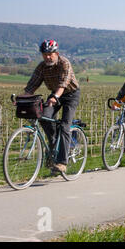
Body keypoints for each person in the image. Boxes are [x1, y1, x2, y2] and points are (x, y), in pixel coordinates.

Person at [23, 40, 80, 173]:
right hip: (55, 94)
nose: (47, 57)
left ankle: (62, 162)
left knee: (65, 125)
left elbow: (63, 84)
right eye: (45, 54)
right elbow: (32, 85)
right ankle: (54, 143)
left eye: (50, 54)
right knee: (42, 116)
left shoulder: (64, 63)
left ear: (56, 53)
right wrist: (22, 98)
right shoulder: (42, 67)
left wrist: (55, 97)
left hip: (70, 95)